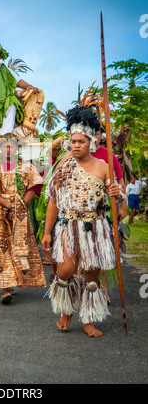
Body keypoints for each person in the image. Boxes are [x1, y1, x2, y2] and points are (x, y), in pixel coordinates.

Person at [42, 106, 125, 337]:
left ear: (92, 143)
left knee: (91, 276)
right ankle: (66, 312)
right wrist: (48, 232)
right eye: (73, 141)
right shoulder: (64, 167)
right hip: (69, 225)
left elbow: (116, 197)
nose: (76, 145)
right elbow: (53, 202)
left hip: (95, 228)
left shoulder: (103, 166)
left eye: (81, 141)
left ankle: (89, 320)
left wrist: (117, 194)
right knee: (66, 270)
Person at [0, 135, 46, 304]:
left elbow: (34, 188)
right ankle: (5, 288)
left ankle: (15, 280)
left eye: (11, 146)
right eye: (5, 146)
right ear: (0, 148)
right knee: (0, 248)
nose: (8, 150)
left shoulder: (27, 166)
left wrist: (19, 206)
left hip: (20, 212)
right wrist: (8, 205)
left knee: (19, 248)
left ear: (17, 148)